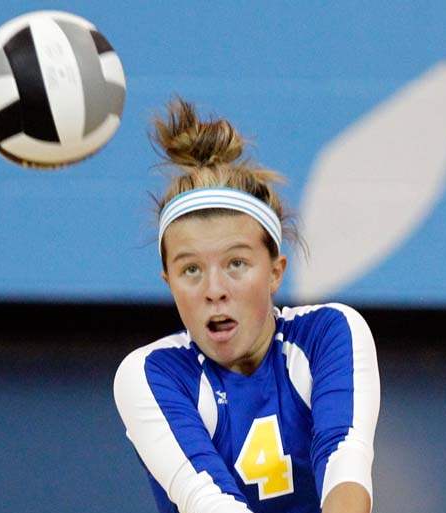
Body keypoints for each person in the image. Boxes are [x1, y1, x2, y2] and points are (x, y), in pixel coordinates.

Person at [114, 98, 380, 513]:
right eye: (190, 270)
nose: (214, 290)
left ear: (275, 272)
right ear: (169, 282)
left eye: (236, 264)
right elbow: (208, 501)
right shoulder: (152, 374)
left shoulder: (329, 334)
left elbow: (345, 462)